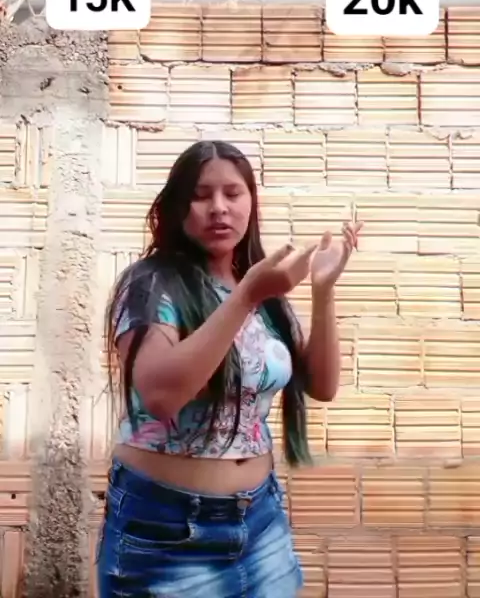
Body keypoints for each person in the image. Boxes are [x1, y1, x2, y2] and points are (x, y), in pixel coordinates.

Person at [96, 139, 362, 597]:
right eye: (201, 195)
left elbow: (322, 385)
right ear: (177, 207)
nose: (219, 207)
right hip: (167, 529)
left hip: (260, 520)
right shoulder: (151, 284)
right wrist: (247, 297)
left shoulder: (259, 287)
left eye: (233, 193)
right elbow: (160, 396)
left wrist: (322, 291)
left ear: (251, 203)